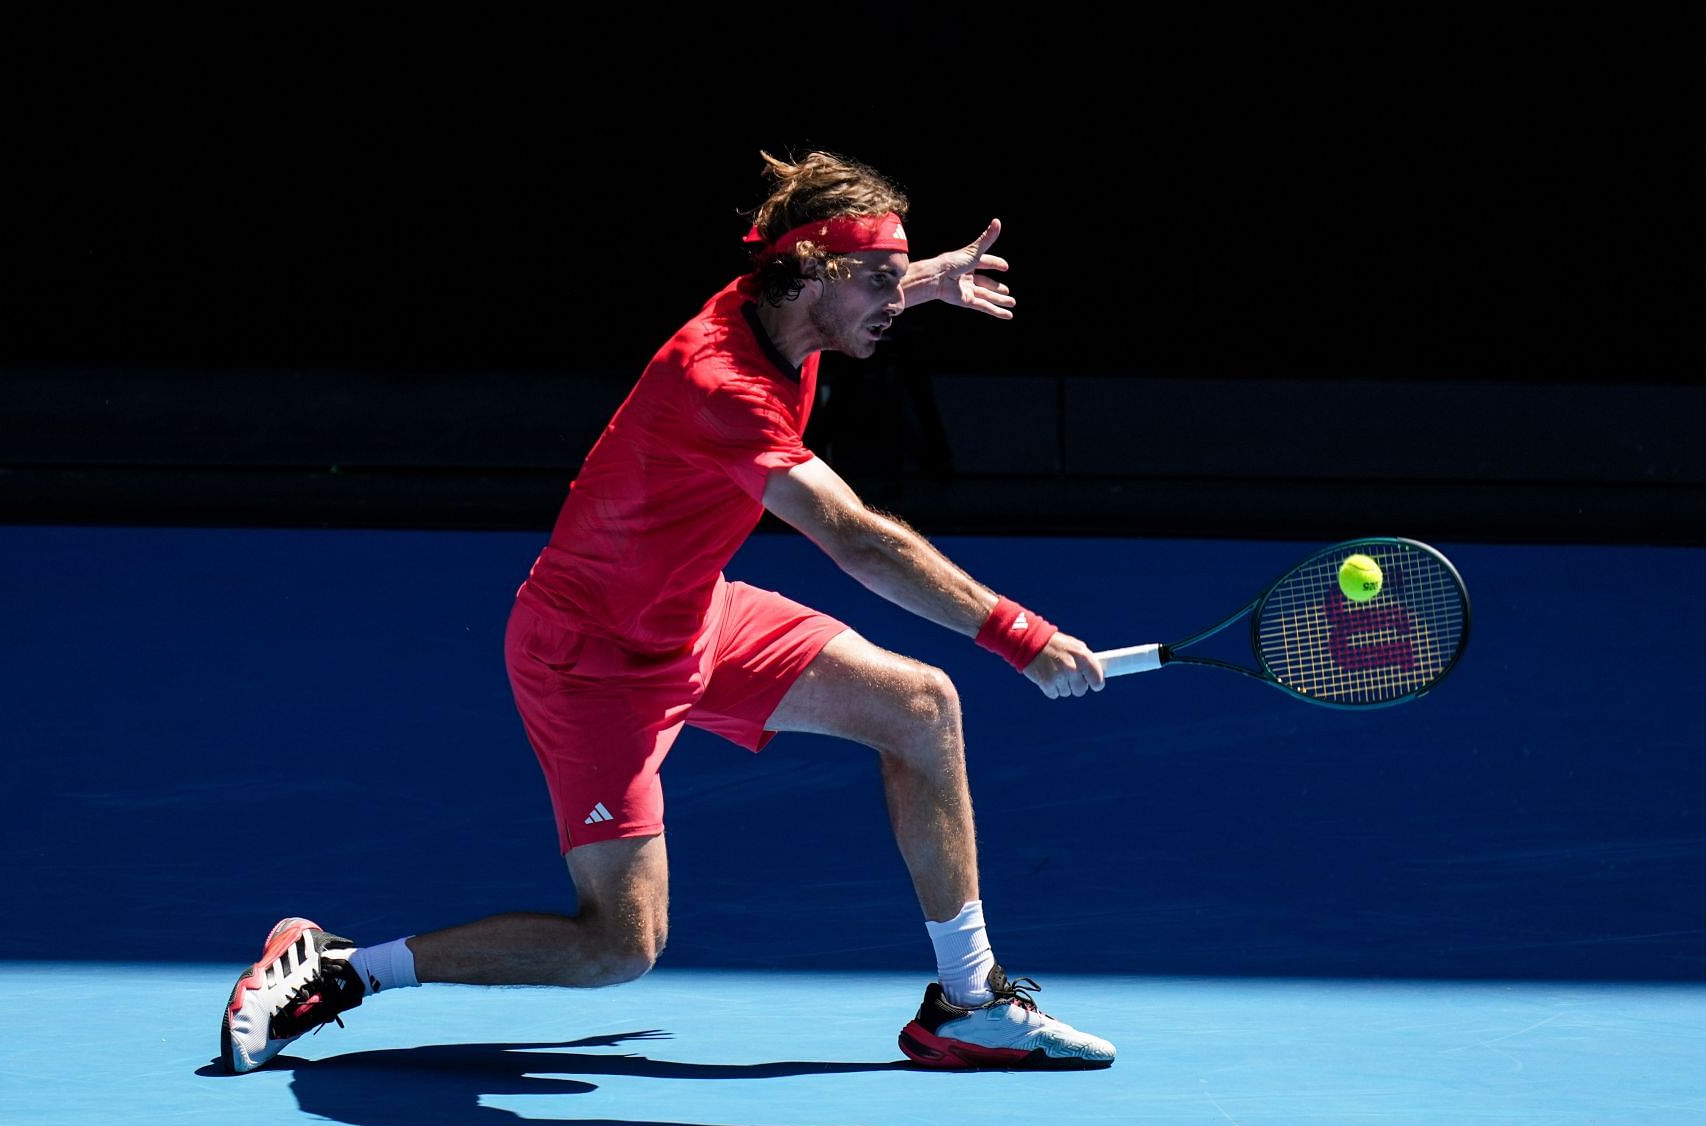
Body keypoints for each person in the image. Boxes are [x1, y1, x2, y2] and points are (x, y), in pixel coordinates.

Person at [222, 150, 1116, 1074]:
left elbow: (854, 296)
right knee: (619, 945)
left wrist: (922, 281)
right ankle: (341, 969)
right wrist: (1019, 633)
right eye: (881, 282)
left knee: (921, 706)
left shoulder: (786, 309)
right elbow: (856, 538)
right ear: (811, 273)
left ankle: (967, 1001)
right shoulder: (719, 383)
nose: (896, 302)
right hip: (591, 659)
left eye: (901, 279)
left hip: (696, 617)